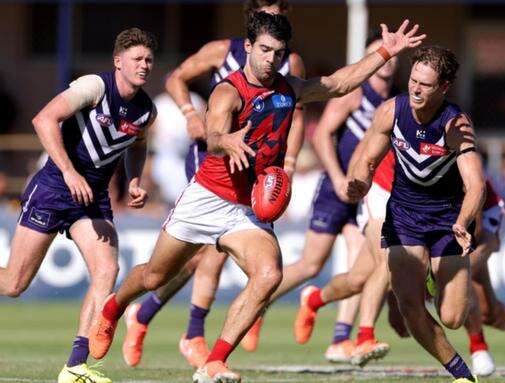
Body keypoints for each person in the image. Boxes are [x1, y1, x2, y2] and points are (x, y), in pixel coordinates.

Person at [89, 13, 425, 383]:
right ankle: (114, 307)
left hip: (247, 207)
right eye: (264, 50)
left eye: (278, 53)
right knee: (154, 276)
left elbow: (337, 84)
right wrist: (225, 141)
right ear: (248, 47)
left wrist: (383, 54)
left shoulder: (288, 89)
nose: (271, 60)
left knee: (269, 275)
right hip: (207, 197)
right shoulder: (228, 91)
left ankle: (215, 360)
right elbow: (214, 133)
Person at [122, 0, 306, 369]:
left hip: (255, 170)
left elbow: (296, 113)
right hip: (214, 157)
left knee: (216, 258)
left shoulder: (290, 63)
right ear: (252, 23)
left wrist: (287, 162)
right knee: (201, 255)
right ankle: (179, 329)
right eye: (270, 13)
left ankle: (172, 326)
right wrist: (192, 115)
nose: (276, 20)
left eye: (282, 15)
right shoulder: (223, 51)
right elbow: (176, 78)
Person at [0, 28, 157, 383]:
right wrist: (70, 172)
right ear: (118, 62)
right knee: (13, 284)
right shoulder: (94, 87)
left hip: (94, 197)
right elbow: (43, 119)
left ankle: (75, 365)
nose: (144, 65)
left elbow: (136, 144)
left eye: (148, 59)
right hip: (56, 187)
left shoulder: (146, 110)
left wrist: (134, 181)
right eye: (137, 59)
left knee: (107, 270)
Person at [254, 31, 399, 364]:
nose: (387, 61)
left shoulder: (396, 101)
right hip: (337, 189)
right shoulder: (356, 94)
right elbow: (320, 135)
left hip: (367, 194)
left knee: (358, 264)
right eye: (378, 54)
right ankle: (258, 304)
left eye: (390, 55)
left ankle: (340, 339)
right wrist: (336, 177)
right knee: (310, 264)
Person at [344, 45, 484, 383]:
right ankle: (462, 374)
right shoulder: (391, 111)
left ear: (444, 87)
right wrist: (360, 183)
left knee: (451, 317)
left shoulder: (456, 125)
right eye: (413, 81)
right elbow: (368, 159)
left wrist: (463, 223)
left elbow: (476, 185)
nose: (415, 89)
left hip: (447, 221)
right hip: (404, 216)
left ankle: (437, 277)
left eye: (425, 84)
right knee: (409, 306)